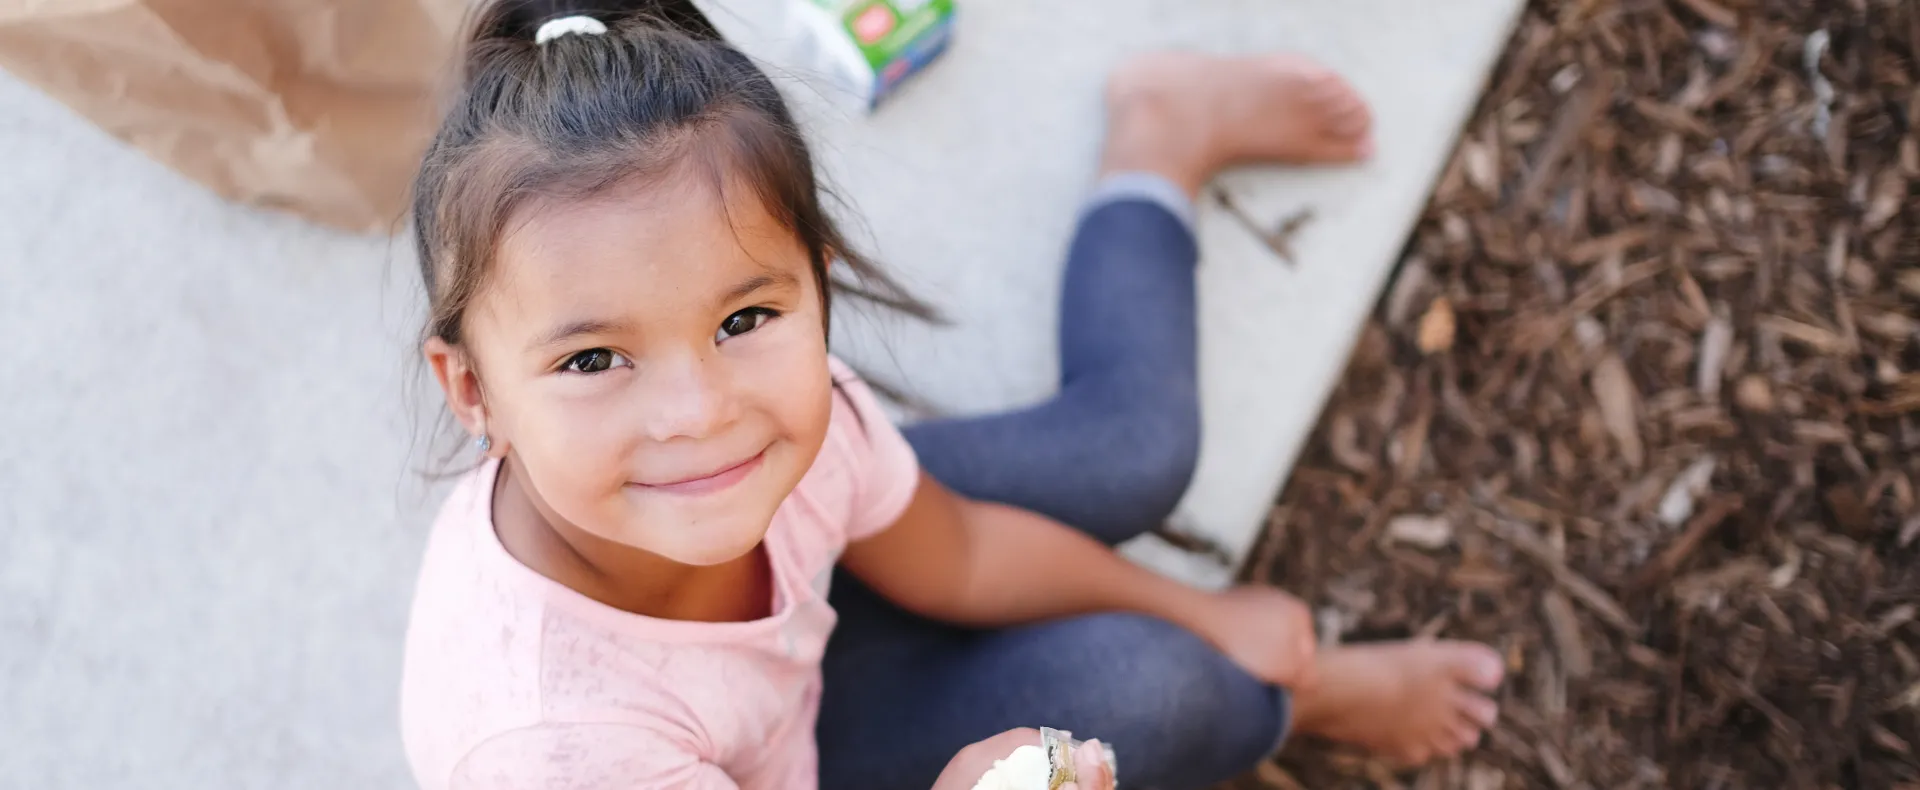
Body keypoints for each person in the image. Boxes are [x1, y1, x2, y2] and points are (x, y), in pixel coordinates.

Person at [398, 1, 1506, 788]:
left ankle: (1158, 143)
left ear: (813, 283)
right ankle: (1292, 711)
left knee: (1138, 447)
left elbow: (960, 551)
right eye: (593, 360)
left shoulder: (776, 417)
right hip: (760, 754)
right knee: (1161, 690)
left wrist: (1208, 606)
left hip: (794, 650)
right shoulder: (557, 752)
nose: (700, 408)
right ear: (473, 389)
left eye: (744, 318)